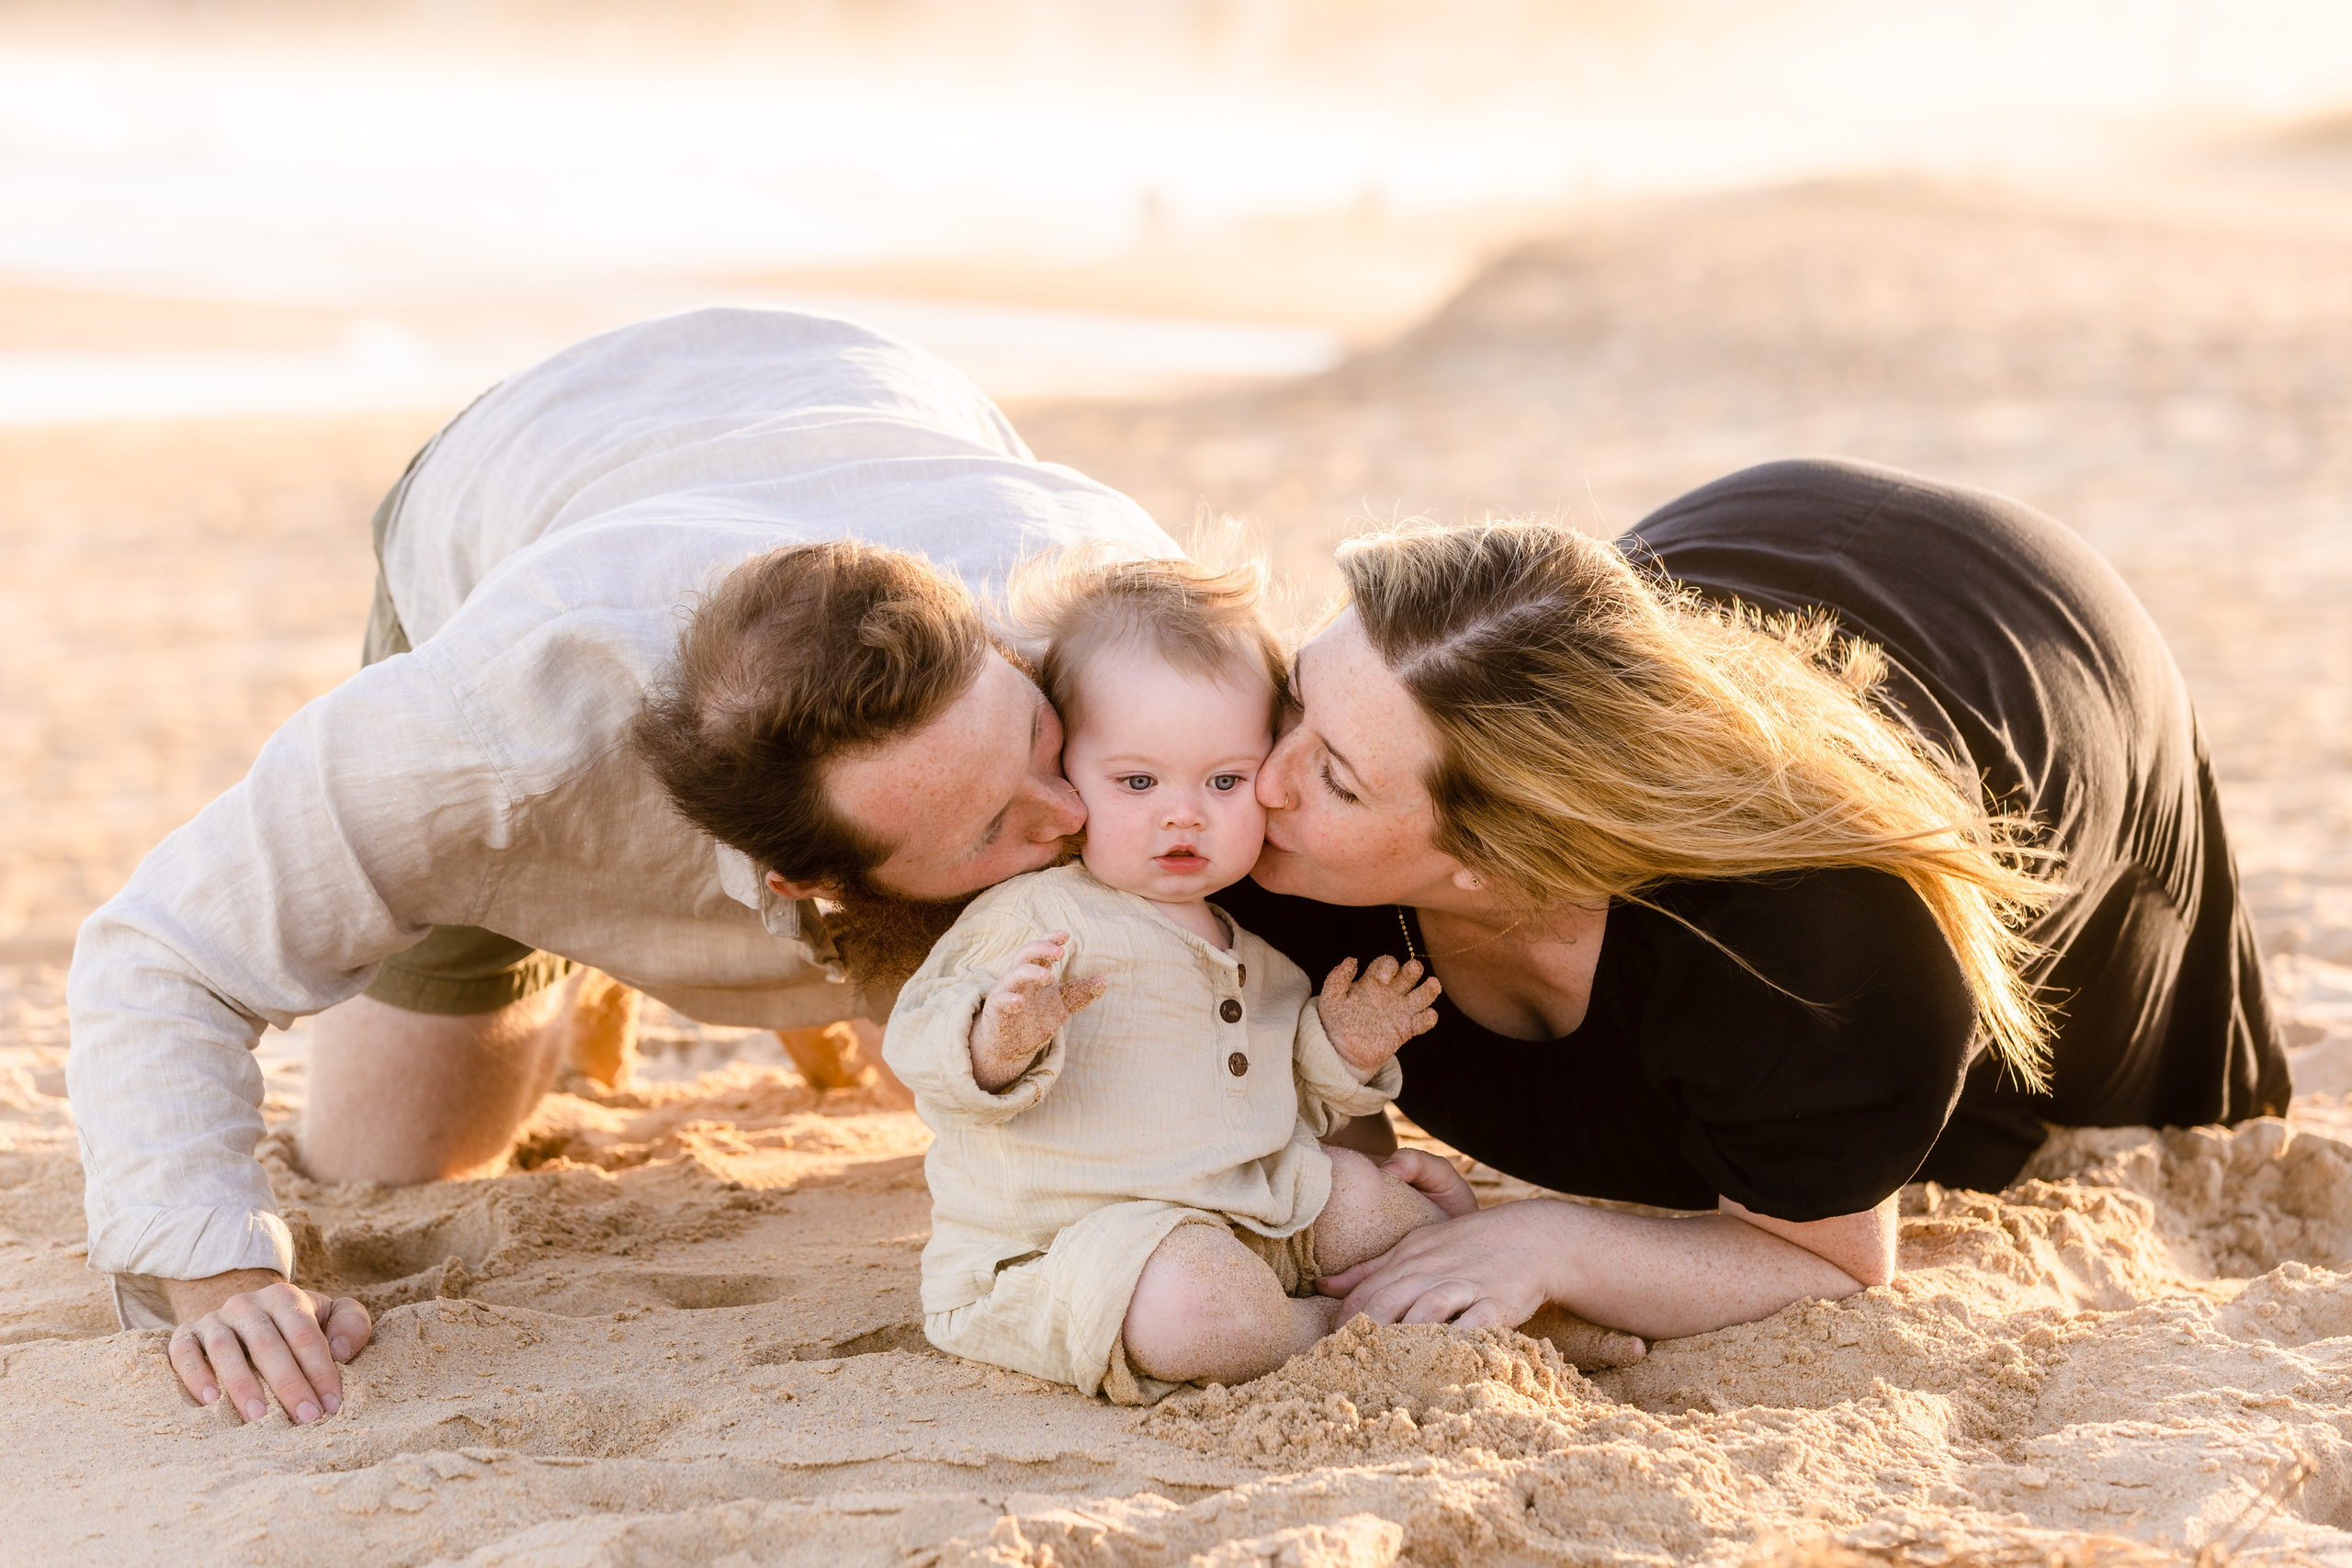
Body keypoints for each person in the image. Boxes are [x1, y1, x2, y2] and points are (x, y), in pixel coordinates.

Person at [64, 308, 1178, 1428]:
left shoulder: (1098, 612)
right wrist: (216, 1279)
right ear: (800, 880)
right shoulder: (491, 729)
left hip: (858, 389)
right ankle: (607, 948)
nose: (1078, 810)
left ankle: (862, 964)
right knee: (396, 1150)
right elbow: (162, 952)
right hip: (523, 462)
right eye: (994, 826)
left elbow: (1322, 842)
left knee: (1005, 1079)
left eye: (1039, 737)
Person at [1219, 457, 2291, 1345]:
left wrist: (1551, 1242)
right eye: (1298, 698)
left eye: (1336, 777)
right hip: (1719, 562)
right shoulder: (1264, 813)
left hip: (2027, 639)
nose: (1264, 776)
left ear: (1491, 861)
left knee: (2059, 1116)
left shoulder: (1806, 937)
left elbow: (1831, 1257)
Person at [884, 554, 1459, 1404]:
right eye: (1139, 781)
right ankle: (1331, 1334)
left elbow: (1282, 1102)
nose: (1183, 812)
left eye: (1225, 780)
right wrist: (992, 1037)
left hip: (1257, 1213)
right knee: (1199, 1306)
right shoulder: (1037, 917)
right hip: (1080, 1249)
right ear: (1068, 772)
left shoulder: (1255, 949)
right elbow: (917, 1035)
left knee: (1380, 1210)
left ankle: (1499, 1306)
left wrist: (1342, 1049)